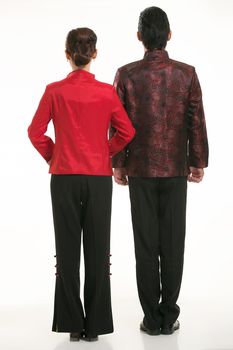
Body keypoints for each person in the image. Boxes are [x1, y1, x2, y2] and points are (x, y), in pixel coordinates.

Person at [28, 27, 135, 342]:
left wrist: (54, 155)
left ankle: (72, 323)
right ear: (94, 54)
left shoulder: (54, 91)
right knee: (99, 250)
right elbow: (126, 131)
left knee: (67, 249)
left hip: (63, 178)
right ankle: (97, 325)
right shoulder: (106, 92)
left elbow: (35, 132)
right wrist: (105, 152)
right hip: (98, 178)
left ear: (67, 54)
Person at [111, 6, 209, 335]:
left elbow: (117, 125)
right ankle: (169, 315)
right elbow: (196, 121)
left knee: (145, 244)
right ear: (168, 34)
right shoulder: (187, 73)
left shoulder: (125, 75)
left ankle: (151, 319)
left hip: (139, 169)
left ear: (139, 36)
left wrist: (118, 163)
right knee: (173, 242)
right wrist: (196, 161)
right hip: (175, 170)